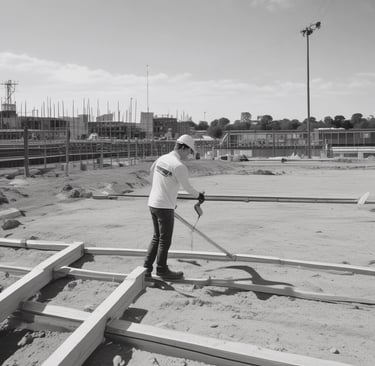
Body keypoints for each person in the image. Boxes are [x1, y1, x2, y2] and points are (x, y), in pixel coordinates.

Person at [144, 134, 205, 280]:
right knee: (164, 240)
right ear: (184, 148)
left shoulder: (162, 158)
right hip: (164, 207)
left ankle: (146, 269)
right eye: (189, 151)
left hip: (153, 203)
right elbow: (189, 188)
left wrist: (166, 193)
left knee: (156, 238)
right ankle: (162, 270)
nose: (189, 155)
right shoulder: (179, 166)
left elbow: (151, 173)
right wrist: (200, 196)